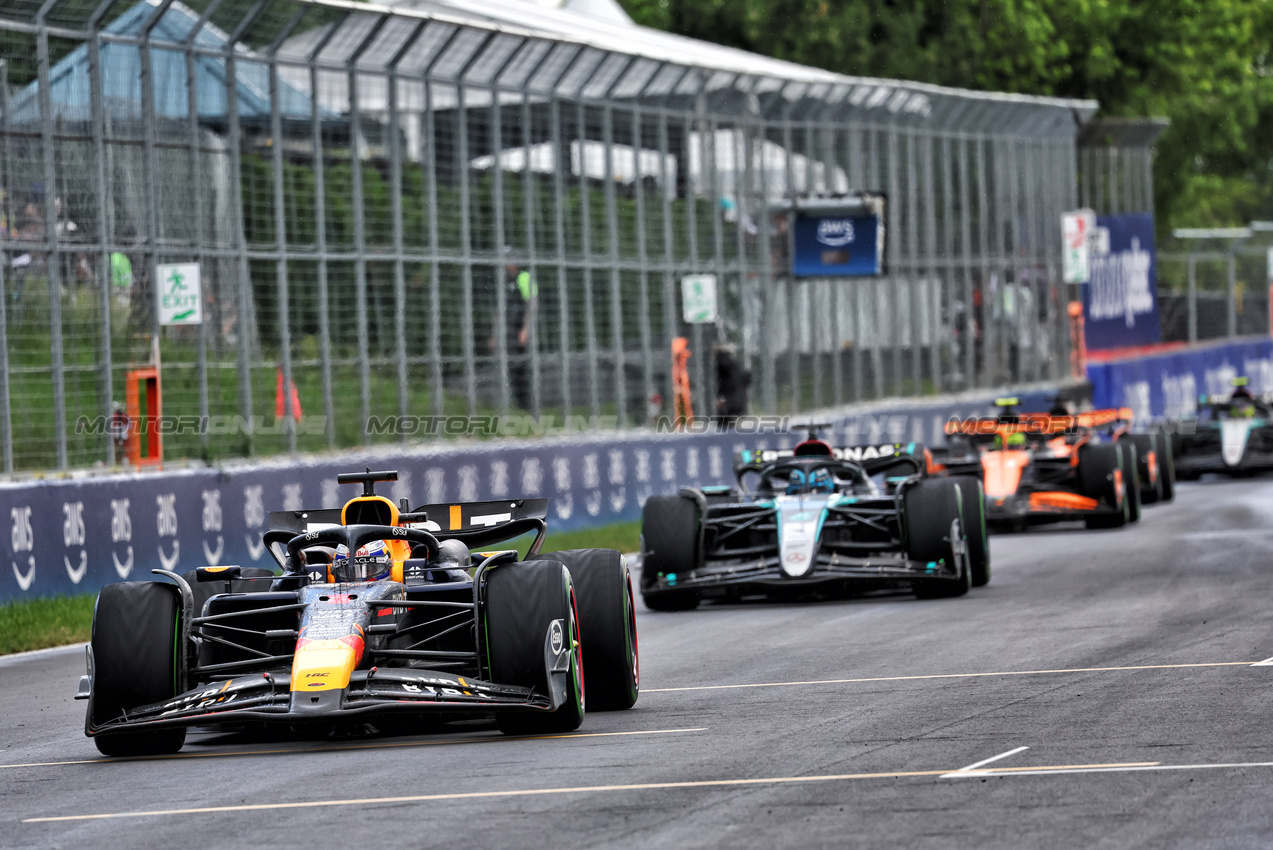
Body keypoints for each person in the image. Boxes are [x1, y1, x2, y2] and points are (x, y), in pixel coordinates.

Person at [489, 255, 537, 409]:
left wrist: (526, 329)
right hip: (506, 329)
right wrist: (494, 334)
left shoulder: (524, 277)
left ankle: (526, 404)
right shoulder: (504, 281)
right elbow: (499, 310)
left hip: (519, 328)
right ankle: (517, 403)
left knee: (521, 365)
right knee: (509, 365)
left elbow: (533, 304)